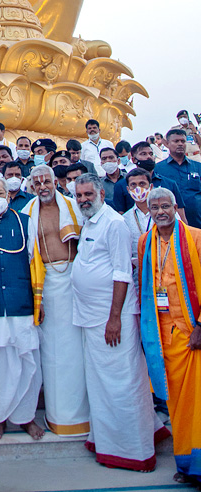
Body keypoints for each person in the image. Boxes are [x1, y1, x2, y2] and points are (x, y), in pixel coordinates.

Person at [71, 174, 168, 471]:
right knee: (102, 385)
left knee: (122, 383)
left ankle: (134, 451)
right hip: (92, 317)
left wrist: (114, 319)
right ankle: (110, 438)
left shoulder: (113, 223)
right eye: (79, 195)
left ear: (101, 192)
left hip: (113, 320)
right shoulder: (90, 220)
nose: (84, 199)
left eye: (88, 194)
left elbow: (121, 273)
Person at [0, 177, 44, 440]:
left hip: (21, 301)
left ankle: (26, 418)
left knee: (28, 363)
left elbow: (35, 262)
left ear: (9, 194)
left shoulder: (25, 222)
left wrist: (40, 299)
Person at [139, 187, 201, 487]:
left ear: (176, 207)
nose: (161, 211)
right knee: (176, 403)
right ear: (148, 211)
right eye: (155, 207)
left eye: (166, 206)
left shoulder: (197, 238)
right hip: (163, 336)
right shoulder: (144, 242)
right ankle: (186, 463)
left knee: (198, 402)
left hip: (193, 333)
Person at [21, 165, 88, 436]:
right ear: (32, 186)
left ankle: (84, 415)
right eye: (37, 183)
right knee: (52, 352)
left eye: (46, 181)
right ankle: (58, 416)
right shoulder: (26, 214)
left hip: (75, 280)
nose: (42, 186)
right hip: (44, 283)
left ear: (55, 182)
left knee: (77, 352)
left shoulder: (75, 207)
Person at [154, 128, 201, 228]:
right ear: (167, 143)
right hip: (169, 224)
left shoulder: (197, 167)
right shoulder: (158, 169)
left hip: (197, 222)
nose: (180, 144)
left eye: (183, 141)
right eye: (176, 141)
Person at [121, 168, 153, 284]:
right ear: (128, 189)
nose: (138, 188)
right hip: (138, 275)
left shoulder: (164, 213)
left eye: (142, 184)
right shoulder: (124, 219)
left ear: (151, 187)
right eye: (133, 185)